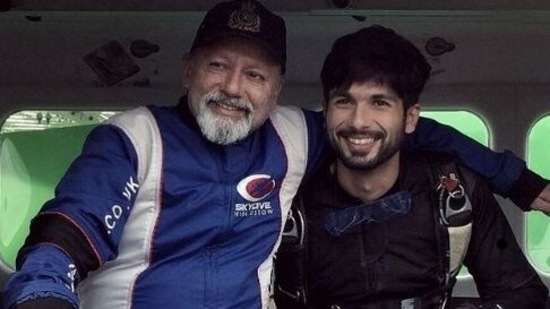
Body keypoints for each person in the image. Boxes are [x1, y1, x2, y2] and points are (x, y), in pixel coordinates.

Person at [1, 1, 548, 309]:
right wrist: (44, 294)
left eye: (255, 74)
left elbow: (415, 133)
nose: (234, 88)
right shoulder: (133, 137)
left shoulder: (294, 136)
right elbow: (67, 233)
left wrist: (522, 185)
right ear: (189, 68)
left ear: (277, 86)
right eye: (218, 66)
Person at [273, 26, 548, 309]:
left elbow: (524, 293)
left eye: (380, 103)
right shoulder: (285, 197)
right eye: (344, 102)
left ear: (410, 118)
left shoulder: (456, 193)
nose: (358, 121)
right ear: (325, 110)